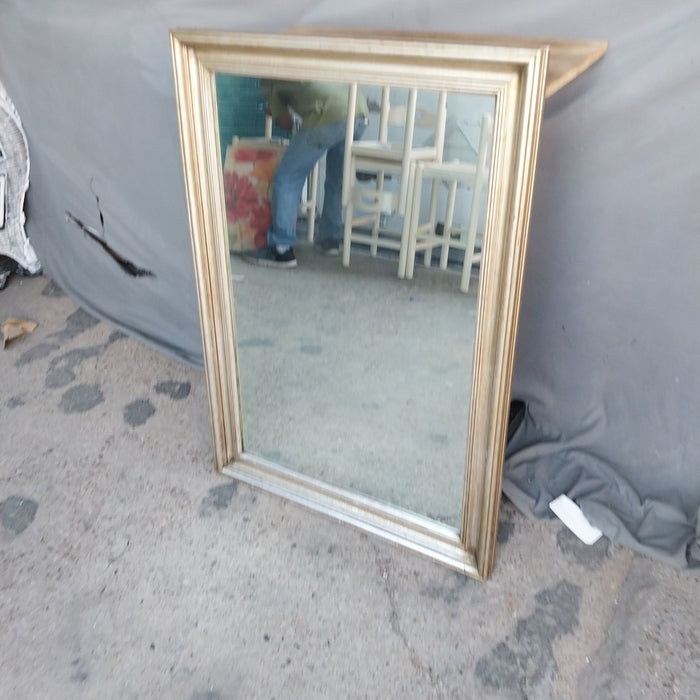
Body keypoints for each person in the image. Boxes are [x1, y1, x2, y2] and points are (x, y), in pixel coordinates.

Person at [243, 80, 369, 269]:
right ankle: (330, 240)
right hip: (358, 111)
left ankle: (281, 249)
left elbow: (285, 123)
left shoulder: (269, 78)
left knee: (287, 178)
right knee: (337, 179)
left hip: (328, 114)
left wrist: (279, 113)